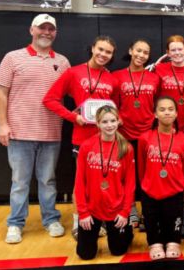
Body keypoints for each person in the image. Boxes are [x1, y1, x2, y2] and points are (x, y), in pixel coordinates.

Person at [0, 13, 70, 244]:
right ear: (31, 30)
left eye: (51, 29)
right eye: (42, 28)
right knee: (20, 182)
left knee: (48, 180)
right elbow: (0, 93)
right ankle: (15, 224)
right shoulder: (12, 58)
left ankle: (50, 220)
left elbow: (75, 91)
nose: (46, 32)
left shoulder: (63, 62)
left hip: (51, 133)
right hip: (20, 132)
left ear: (55, 32)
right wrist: (2, 124)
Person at [43, 35, 119, 238]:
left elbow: (116, 109)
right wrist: (73, 117)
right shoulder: (74, 72)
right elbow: (50, 99)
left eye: (108, 52)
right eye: (100, 49)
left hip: (107, 139)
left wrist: (116, 123)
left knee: (104, 179)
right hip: (82, 138)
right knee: (83, 182)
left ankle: (100, 220)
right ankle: (79, 221)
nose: (103, 54)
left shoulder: (112, 79)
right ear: (92, 48)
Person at [75, 106, 135, 260]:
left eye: (113, 121)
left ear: (118, 121)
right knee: (85, 255)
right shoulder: (87, 147)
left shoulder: (126, 148)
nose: (109, 125)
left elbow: (130, 183)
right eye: (105, 122)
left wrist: (124, 212)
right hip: (92, 207)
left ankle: (126, 230)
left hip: (116, 208)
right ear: (97, 124)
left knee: (118, 251)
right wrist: (83, 213)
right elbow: (80, 181)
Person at [112, 39, 160, 227]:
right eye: (138, 51)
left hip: (147, 133)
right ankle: (130, 209)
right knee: (126, 175)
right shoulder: (117, 76)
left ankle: (148, 210)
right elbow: (112, 104)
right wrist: (116, 116)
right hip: (124, 133)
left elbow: (158, 104)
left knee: (148, 175)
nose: (141, 55)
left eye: (145, 53)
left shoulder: (154, 78)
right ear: (131, 50)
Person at [155, 35, 184, 215]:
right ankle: (163, 200)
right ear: (167, 53)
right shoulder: (159, 69)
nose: (177, 53)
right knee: (164, 165)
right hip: (165, 127)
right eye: (172, 50)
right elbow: (155, 98)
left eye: (180, 49)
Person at [138, 96, 184, 260]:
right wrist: (145, 184)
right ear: (155, 114)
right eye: (162, 109)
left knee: (173, 217)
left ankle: (174, 241)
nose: (166, 113)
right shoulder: (145, 138)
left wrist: (177, 183)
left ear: (176, 114)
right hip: (150, 189)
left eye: (170, 109)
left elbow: (183, 165)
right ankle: (154, 243)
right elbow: (141, 165)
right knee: (151, 217)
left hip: (174, 189)